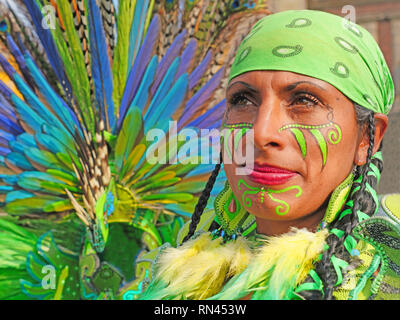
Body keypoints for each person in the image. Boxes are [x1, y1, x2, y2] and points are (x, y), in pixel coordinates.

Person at [140, 9, 400, 300]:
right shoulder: (178, 268)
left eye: (304, 100)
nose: (261, 133)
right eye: (243, 100)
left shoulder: (390, 269)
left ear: (368, 137)